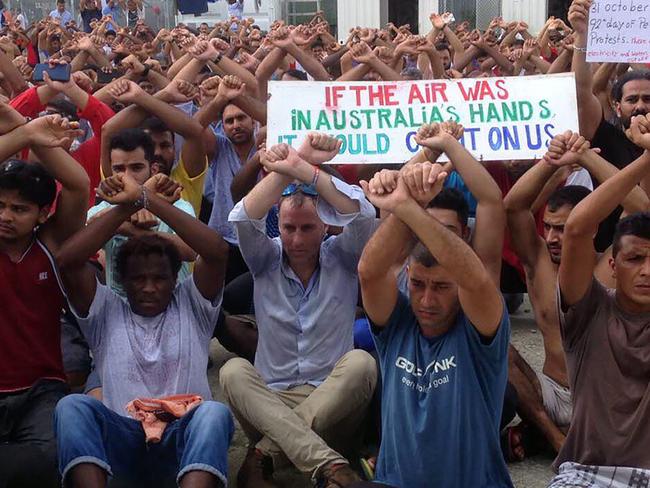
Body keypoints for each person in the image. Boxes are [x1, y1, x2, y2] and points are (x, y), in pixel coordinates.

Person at [53, 171, 233, 488]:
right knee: (72, 406)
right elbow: (67, 260)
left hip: (181, 444)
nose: (149, 288)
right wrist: (128, 204)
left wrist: (149, 200)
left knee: (214, 413)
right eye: (138, 279)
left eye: (159, 278)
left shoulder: (192, 304)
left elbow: (217, 251)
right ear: (122, 282)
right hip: (123, 444)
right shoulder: (105, 310)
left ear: (174, 278)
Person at [220, 135, 378, 488]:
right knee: (232, 371)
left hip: (333, 401)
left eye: (308, 228)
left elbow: (365, 214)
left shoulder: (344, 256)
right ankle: (331, 467)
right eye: (289, 228)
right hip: (270, 399)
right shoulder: (265, 258)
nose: (296, 240)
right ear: (279, 223)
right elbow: (242, 218)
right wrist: (295, 159)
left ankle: (262, 455)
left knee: (361, 365)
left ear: (326, 225)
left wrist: (305, 169)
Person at [357, 161, 512, 488]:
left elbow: (476, 280)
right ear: (408, 277)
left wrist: (410, 207)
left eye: (441, 287)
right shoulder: (397, 323)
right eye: (418, 285)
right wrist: (405, 202)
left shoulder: (479, 328)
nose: (426, 301)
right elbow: (370, 272)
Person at [549, 114, 650, 486]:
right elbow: (577, 228)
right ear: (612, 264)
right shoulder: (590, 311)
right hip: (585, 475)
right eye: (635, 259)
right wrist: (644, 160)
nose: (647, 272)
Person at [0, 108, 89, 488]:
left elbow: (79, 185)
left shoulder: (50, 244)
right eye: (0, 206)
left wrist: (39, 138)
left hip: (41, 390)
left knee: (47, 468)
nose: (6, 216)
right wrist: (26, 133)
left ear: (41, 214)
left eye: (19, 209)